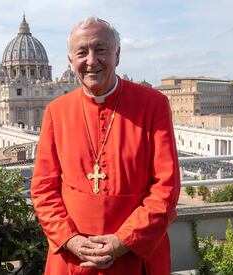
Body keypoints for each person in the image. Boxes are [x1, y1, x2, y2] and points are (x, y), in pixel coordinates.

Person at [31, 16, 180, 275]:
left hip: (135, 254)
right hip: (72, 257)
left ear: (117, 55)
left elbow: (166, 188)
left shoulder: (153, 104)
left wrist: (123, 240)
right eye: (82, 52)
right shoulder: (56, 111)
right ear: (70, 61)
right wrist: (72, 240)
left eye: (101, 49)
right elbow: (43, 189)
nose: (91, 60)